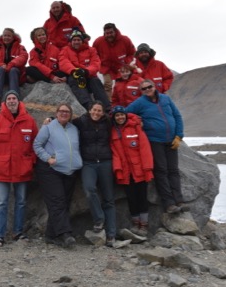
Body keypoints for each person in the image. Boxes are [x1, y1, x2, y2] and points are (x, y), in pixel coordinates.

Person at [0, 90, 38, 247]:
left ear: (18, 101)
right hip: (2, 168)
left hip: (22, 168)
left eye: (14, 98)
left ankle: (18, 232)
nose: (12, 101)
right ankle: (0, 235)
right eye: (9, 98)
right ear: (5, 102)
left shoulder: (28, 120)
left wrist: (31, 160)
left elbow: (36, 142)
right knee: (1, 202)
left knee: (21, 201)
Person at [126, 79, 188, 214]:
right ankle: (169, 203)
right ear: (141, 91)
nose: (147, 89)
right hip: (155, 141)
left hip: (172, 140)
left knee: (173, 171)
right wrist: (137, 122)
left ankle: (180, 200)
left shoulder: (166, 99)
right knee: (161, 171)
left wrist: (179, 135)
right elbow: (125, 114)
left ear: (154, 87)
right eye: (144, 88)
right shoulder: (140, 103)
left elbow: (177, 116)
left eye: (149, 86)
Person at [33, 103, 82, 248]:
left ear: (71, 114)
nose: (64, 113)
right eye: (61, 111)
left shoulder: (74, 129)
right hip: (49, 170)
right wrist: (48, 158)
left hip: (69, 171)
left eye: (67, 112)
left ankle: (50, 235)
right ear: (56, 113)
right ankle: (65, 234)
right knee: (58, 201)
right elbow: (36, 145)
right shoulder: (48, 127)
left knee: (64, 202)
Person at [72, 101, 116, 247]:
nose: (96, 113)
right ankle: (99, 219)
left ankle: (111, 235)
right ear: (89, 110)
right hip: (88, 163)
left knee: (109, 199)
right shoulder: (82, 121)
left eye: (99, 111)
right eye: (94, 110)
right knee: (90, 189)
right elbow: (65, 119)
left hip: (105, 162)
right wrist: (51, 120)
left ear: (103, 113)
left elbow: (125, 119)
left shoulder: (108, 122)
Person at [110, 106, 154, 235]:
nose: (120, 117)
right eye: (117, 115)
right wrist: (117, 170)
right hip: (126, 172)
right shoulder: (113, 132)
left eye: (122, 115)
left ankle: (144, 225)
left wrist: (147, 167)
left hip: (139, 169)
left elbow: (144, 148)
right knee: (131, 198)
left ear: (126, 115)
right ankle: (136, 224)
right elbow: (115, 153)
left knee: (142, 197)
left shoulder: (135, 127)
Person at [59, 29, 111, 111]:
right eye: (74, 40)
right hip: (75, 77)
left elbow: (96, 63)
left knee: (95, 81)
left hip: (89, 76)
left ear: (82, 41)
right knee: (75, 79)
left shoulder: (91, 50)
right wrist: (73, 71)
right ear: (71, 41)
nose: (76, 42)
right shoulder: (65, 50)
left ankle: (107, 107)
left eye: (79, 40)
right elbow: (63, 62)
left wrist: (86, 71)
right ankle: (88, 106)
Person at [92, 23, 136, 98]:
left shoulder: (125, 40)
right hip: (105, 68)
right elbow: (93, 54)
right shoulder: (98, 41)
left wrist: (126, 62)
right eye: (107, 33)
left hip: (121, 67)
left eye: (111, 32)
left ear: (115, 31)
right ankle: (109, 105)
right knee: (107, 85)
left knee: (121, 84)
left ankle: (122, 101)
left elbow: (133, 53)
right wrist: (98, 64)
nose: (109, 35)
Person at [0, 28, 28, 106]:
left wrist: (11, 64)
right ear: (2, 36)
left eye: (9, 36)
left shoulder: (20, 47)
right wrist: (0, 64)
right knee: (0, 69)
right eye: (5, 35)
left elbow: (24, 57)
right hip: (0, 74)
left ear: (13, 37)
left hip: (15, 75)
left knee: (13, 70)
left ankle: (15, 96)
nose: (6, 38)